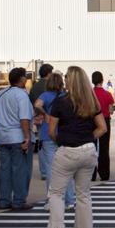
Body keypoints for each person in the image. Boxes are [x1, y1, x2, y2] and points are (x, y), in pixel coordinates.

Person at [45, 66, 106, 228]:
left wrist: (62, 140)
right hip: (88, 151)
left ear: (69, 81)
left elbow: (51, 131)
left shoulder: (60, 102)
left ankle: (56, 226)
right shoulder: (92, 101)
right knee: (83, 196)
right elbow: (102, 128)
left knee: (56, 192)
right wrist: (88, 138)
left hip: (67, 151)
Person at [0, 67, 34, 211]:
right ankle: (19, 200)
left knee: (5, 169)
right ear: (22, 79)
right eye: (26, 78)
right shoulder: (21, 95)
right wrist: (27, 137)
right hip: (18, 137)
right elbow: (24, 119)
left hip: (2, 137)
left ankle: (4, 200)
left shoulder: (0, 93)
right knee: (20, 170)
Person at [35, 72, 73, 207]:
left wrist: (45, 114)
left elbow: (37, 104)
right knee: (67, 169)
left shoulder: (45, 96)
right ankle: (70, 200)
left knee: (51, 169)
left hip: (47, 133)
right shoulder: (65, 96)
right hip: (63, 133)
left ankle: (53, 200)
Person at [92, 70, 115, 181]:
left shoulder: (90, 94)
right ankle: (104, 173)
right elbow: (111, 110)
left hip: (92, 121)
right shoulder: (107, 94)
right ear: (102, 80)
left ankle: (91, 174)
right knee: (104, 148)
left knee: (92, 146)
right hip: (105, 121)